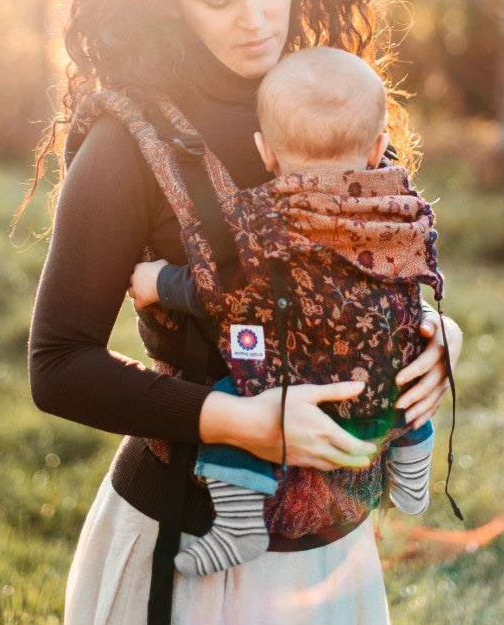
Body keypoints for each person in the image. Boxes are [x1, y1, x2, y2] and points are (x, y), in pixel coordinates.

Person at [25, 0, 463, 625]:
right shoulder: (128, 145)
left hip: (332, 558)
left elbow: (371, 268)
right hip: (189, 550)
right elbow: (56, 364)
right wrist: (245, 421)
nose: (256, 18)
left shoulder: (329, 99)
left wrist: (438, 338)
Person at [127, 47, 438, 577]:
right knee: (411, 380)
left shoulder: (263, 219)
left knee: (230, 406)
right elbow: (420, 276)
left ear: (264, 151)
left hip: (292, 387)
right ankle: (412, 469)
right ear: (378, 149)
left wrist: (159, 282)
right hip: (377, 383)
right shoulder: (403, 208)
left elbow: (223, 290)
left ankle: (241, 524)